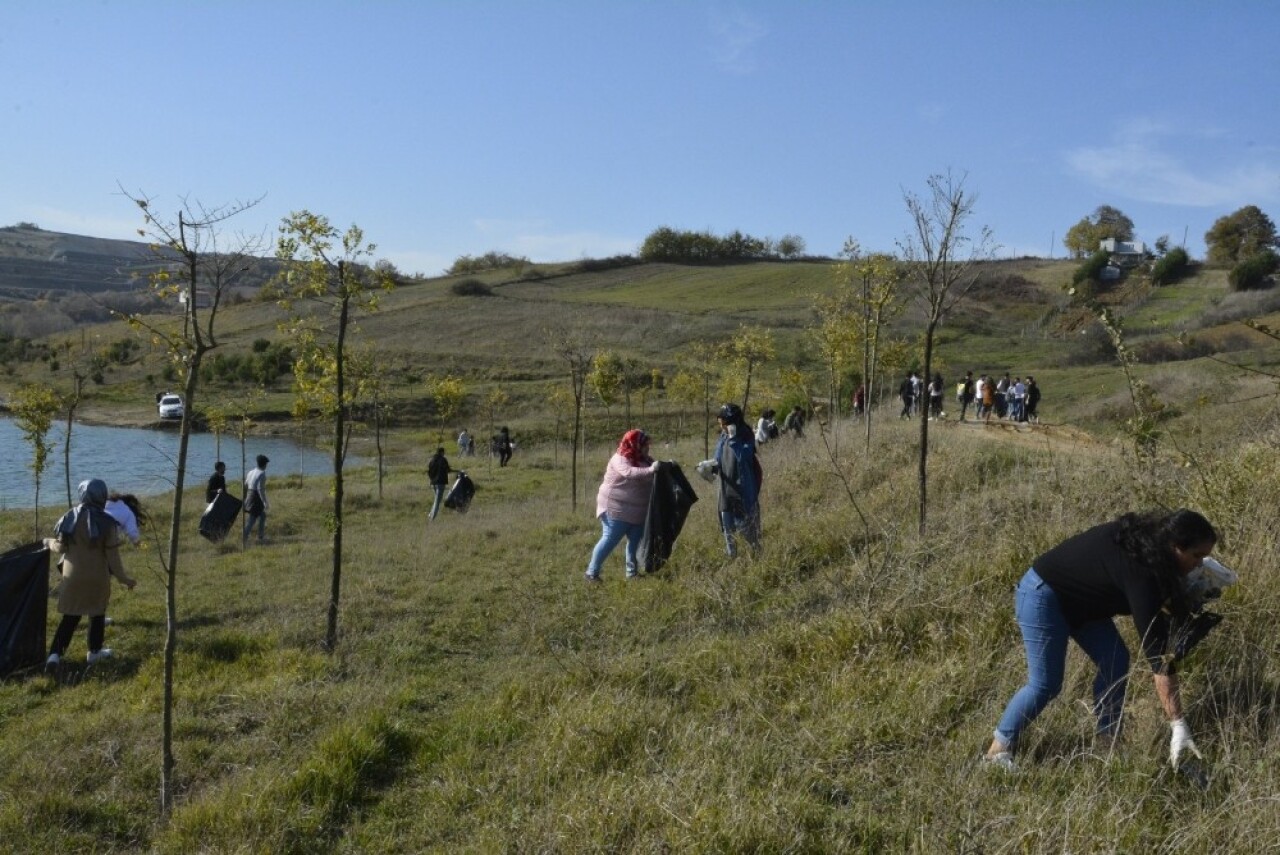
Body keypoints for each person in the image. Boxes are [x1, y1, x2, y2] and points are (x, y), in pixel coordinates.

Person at [984, 509, 1219, 771]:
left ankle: (1107, 742)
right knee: (1046, 684)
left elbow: (1161, 609)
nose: (1200, 564)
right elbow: (1158, 656)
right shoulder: (1141, 570)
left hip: (1083, 604)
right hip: (1043, 595)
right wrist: (1178, 724)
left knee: (1115, 660)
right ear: (1176, 547)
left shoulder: (1154, 548)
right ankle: (997, 753)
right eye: (1197, 556)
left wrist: (1191, 592)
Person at [43, 479, 137, 667]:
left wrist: (47, 542)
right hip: (97, 577)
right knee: (97, 612)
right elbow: (113, 558)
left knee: (70, 616)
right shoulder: (108, 523)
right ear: (102, 496)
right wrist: (125, 579)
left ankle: (54, 655)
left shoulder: (69, 517)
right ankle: (94, 652)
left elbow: (60, 547)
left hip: (72, 576)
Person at [585, 429, 658, 582]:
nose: (647, 448)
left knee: (635, 542)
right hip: (615, 508)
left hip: (637, 511)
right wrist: (651, 470)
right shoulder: (620, 459)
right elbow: (629, 472)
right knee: (610, 539)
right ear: (635, 445)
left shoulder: (645, 459)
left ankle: (632, 574)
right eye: (644, 445)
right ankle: (591, 573)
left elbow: (651, 474)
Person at [697, 403, 762, 558]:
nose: (722, 427)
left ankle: (757, 555)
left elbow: (744, 458)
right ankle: (731, 556)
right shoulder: (724, 436)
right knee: (727, 527)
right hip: (726, 489)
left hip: (742, 490)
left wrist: (734, 440)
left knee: (747, 529)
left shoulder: (746, 436)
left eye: (723, 424)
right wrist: (709, 466)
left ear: (732, 422)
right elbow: (719, 458)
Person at [243, 454, 270, 545]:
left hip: (249, 496)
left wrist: (245, 498)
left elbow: (245, 485)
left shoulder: (251, 472)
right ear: (264, 464)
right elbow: (260, 489)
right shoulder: (262, 473)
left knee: (262, 516)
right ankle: (244, 537)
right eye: (266, 464)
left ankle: (260, 536)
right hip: (256, 497)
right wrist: (265, 502)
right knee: (252, 519)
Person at [428, 447, 452, 521]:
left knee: (436, 500)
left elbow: (429, 470)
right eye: (443, 452)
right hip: (440, 482)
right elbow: (448, 469)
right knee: (438, 501)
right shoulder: (443, 459)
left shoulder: (432, 460)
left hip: (433, 483)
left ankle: (430, 514)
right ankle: (432, 518)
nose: (444, 453)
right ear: (442, 452)